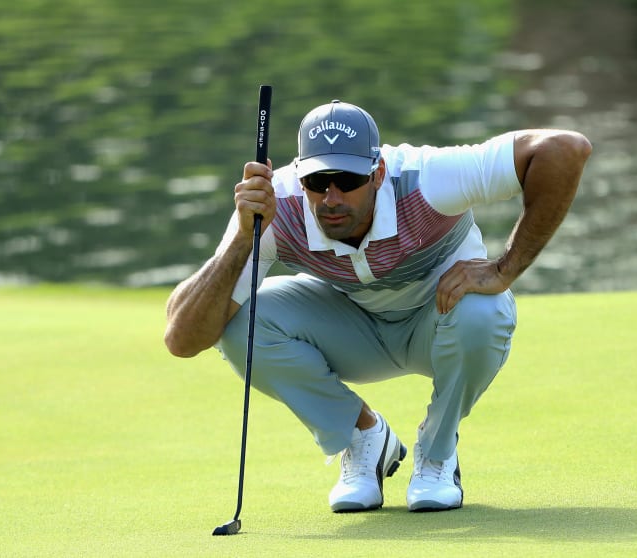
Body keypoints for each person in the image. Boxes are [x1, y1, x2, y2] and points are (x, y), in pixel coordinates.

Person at [164, 100, 591, 513]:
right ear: (299, 175)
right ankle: (363, 437)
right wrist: (244, 238)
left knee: (486, 309)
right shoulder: (275, 206)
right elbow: (183, 339)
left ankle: (436, 454)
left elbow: (565, 149)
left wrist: (504, 268)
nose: (331, 198)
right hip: (353, 329)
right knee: (241, 326)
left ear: (378, 171)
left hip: (440, 319)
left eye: (347, 181)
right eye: (317, 182)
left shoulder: (428, 178)